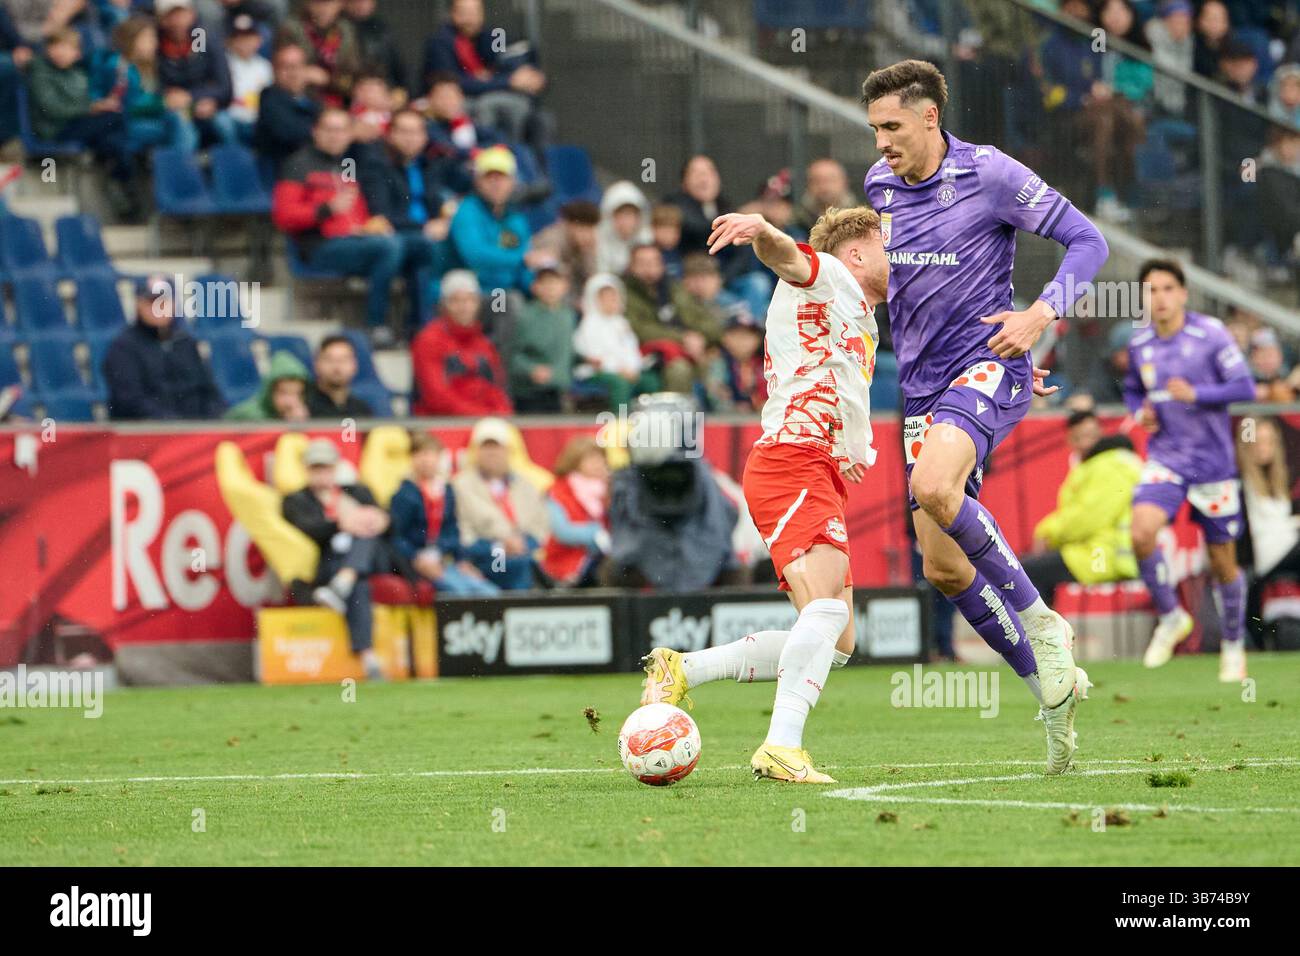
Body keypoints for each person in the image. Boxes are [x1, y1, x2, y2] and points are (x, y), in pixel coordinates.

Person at [860, 59, 1109, 774]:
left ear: (930, 116)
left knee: (935, 486)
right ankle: (1052, 690)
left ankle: (1043, 623)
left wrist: (1037, 318)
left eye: (892, 126)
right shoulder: (879, 186)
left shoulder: (990, 172)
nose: (881, 142)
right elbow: (903, 282)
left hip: (987, 362)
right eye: (874, 128)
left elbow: (1089, 242)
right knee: (942, 568)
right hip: (922, 391)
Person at [640, 205, 886, 784]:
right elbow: (788, 258)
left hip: (815, 467)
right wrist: (764, 230)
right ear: (855, 252)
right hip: (791, 462)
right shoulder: (829, 273)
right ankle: (780, 747)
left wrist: (850, 447)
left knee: (837, 640)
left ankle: (684, 669)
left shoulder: (861, 314)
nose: (896, 254)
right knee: (825, 610)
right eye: (886, 242)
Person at [1126, 258, 1256, 681]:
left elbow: (1245, 387)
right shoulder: (1140, 343)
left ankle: (1233, 645)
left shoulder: (1211, 334)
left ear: (1183, 293)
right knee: (1141, 532)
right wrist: (1140, 412)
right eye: (1151, 290)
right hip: (1167, 459)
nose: (1160, 298)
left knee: (1222, 562)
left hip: (1213, 466)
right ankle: (1171, 616)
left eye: (1167, 288)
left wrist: (1197, 394)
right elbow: (1132, 389)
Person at [272, 107, 406, 342]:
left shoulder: (347, 164)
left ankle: (419, 325)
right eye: (329, 130)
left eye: (342, 130)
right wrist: (326, 210)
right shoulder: (297, 164)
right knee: (389, 248)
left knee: (420, 247)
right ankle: (376, 326)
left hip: (354, 240)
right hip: (319, 247)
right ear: (315, 132)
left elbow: (355, 210)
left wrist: (368, 225)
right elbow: (284, 217)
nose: (335, 136)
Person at [282, 438, 390, 680]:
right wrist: (341, 523)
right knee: (359, 585)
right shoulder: (296, 500)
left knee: (365, 534)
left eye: (326, 467)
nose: (322, 474)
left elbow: (385, 520)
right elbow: (309, 529)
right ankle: (368, 657)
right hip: (331, 563)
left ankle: (343, 581)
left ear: (336, 468)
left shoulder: (357, 491)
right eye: (316, 468)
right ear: (306, 469)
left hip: (371, 557)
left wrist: (379, 520)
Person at [1022, 411, 1143, 601]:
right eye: (1081, 437)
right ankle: (1046, 621)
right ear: (1071, 440)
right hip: (1097, 551)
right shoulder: (1099, 464)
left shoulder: (1108, 464)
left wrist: (1047, 533)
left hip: (1102, 557)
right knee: (1031, 568)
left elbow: (1089, 518)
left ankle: (1044, 622)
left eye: (1091, 435)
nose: (1086, 442)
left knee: (1027, 572)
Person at [358, 107, 452, 333]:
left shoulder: (429, 165)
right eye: (404, 131)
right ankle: (413, 324)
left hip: (425, 237)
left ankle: (425, 327)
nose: (410, 138)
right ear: (390, 135)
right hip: (395, 235)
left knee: (429, 254)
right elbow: (381, 213)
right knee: (425, 249)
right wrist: (426, 226)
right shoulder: (376, 165)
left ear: (425, 137)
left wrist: (447, 218)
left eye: (416, 132)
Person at [26, 27, 137, 216]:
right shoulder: (39, 70)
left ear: (77, 53)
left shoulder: (78, 72)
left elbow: (86, 101)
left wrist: (97, 105)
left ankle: (120, 180)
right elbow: (52, 109)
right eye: (56, 46)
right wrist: (91, 108)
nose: (61, 52)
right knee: (116, 118)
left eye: (67, 47)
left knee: (113, 135)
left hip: (79, 125)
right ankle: (121, 181)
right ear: (47, 49)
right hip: (55, 129)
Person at [421, 0, 546, 155]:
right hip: (463, 100)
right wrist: (506, 81)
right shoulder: (440, 42)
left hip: (495, 95)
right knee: (488, 106)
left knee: (539, 119)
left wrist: (524, 76)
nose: (469, 19)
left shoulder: (493, 36)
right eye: (464, 13)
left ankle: (518, 158)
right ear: (453, 14)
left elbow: (503, 63)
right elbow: (456, 82)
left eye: (474, 12)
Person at [388, 431, 498, 596]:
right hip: (416, 562)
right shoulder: (404, 494)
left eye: (430, 454)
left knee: (488, 591)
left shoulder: (446, 490)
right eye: (420, 454)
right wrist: (416, 557)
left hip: (443, 559)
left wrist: (461, 560)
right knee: (459, 591)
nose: (426, 460)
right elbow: (396, 537)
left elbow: (452, 529)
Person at [103, 276, 226, 420]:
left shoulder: (186, 343)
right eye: (152, 302)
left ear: (174, 304)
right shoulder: (123, 348)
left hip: (194, 429)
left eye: (163, 301)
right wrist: (173, 424)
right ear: (139, 304)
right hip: (150, 431)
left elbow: (210, 393)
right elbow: (130, 401)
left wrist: (212, 419)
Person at [452, 417, 549, 590]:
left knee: (530, 564)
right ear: (476, 451)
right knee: (520, 566)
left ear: (508, 450)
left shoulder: (525, 484)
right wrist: (500, 546)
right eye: (486, 447)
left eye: (497, 447)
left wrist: (524, 544)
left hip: (525, 550)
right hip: (485, 555)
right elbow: (463, 535)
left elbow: (541, 527)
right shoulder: (460, 485)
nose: (492, 453)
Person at [622, 243, 721, 394]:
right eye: (642, 263)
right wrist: (683, 338)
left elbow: (707, 322)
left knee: (717, 360)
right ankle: (676, 410)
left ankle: (724, 408)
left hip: (688, 349)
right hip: (646, 354)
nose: (649, 268)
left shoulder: (674, 289)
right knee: (679, 369)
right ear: (631, 266)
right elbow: (638, 330)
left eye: (654, 262)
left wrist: (700, 338)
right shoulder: (624, 293)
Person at [411, 270, 511, 417]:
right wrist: (483, 416)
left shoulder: (483, 342)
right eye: (455, 301)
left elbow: (498, 389)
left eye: (470, 300)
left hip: (484, 421)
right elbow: (436, 397)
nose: (464, 307)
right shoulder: (429, 340)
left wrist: (502, 414)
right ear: (444, 305)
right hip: (441, 422)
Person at [93, 15, 198, 155]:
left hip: (146, 119)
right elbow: (126, 105)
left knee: (180, 121)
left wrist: (172, 99)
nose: (154, 43)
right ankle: (181, 164)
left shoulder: (147, 65)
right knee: (178, 126)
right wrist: (164, 103)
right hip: (125, 125)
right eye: (148, 39)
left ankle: (179, 163)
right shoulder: (119, 67)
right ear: (131, 40)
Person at [1236, 417, 1300, 646]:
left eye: (1269, 441)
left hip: (1287, 549)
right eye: (1258, 442)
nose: (1263, 448)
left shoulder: (1279, 482)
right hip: (1266, 558)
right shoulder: (1242, 483)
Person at [447, 145, 532, 293]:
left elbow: (525, 261)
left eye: (502, 177)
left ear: (513, 181)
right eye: (489, 177)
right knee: (505, 300)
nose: (496, 184)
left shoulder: (515, 216)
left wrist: (536, 287)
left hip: (502, 290)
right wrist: (521, 259)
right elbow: (475, 255)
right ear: (477, 181)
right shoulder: (467, 211)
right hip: (469, 292)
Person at [156, 0, 236, 146]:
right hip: (172, 107)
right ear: (162, 19)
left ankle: (234, 159)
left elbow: (225, 87)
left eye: (182, 14)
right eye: (171, 15)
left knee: (225, 124)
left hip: (206, 102)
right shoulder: (155, 43)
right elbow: (153, 83)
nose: (178, 21)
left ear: (192, 14)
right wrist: (169, 97)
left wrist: (196, 97)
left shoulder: (206, 39)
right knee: (184, 130)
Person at [540, 435, 611, 587]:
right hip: (566, 562)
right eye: (591, 459)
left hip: (602, 559)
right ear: (575, 462)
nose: (598, 464)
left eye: (600, 458)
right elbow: (563, 532)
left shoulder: (611, 490)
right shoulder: (558, 491)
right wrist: (596, 533)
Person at [509, 259, 576, 413]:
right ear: (534, 287)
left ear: (565, 286)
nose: (550, 287)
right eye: (544, 282)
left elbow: (569, 351)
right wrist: (531, 369)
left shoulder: (568, 316)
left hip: (559, 391)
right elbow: (512, 354)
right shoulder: (524, 316)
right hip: (530, 392)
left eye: (555, 282)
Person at [572, 273, 644, 410]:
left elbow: (632, 349)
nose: (611, 301)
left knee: (650, 381)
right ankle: (621, 419)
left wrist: (633, 368)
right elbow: (594, 357)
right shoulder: (589, 324)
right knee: (620, 383)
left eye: (614, 297)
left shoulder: (622, 323)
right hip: (596, 372)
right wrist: (619, 370)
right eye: (605, 298)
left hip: (627, 370)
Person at [275, 0, 361, 106]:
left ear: (340, 4)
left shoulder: (346, 31)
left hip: (338, 99)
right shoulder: (291, 29)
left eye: (329, 3)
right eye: (317, 3)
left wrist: (328, 79)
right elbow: (281, 69)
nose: (323, 9)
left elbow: (353, 75)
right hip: (300, 97)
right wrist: (301, 72)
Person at [252, 42, 321, 173]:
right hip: (281, 169)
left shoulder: (313, 98)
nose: (293, 73)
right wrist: (324, 132)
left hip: (315, 166)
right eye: (285, 67)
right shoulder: (269, 97)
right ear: (275, 71)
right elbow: (288, 132)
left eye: (297, 66)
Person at [530, 199, 599, 295]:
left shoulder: (587, 244)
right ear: (569, 225)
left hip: (568, 287)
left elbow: (592, 277)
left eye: (590, 229)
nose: (587, 235)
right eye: (583, 228)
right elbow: (549, 277)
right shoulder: (552, 239)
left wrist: (589, 253)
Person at [223, 12, 271, 144]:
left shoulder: (265, 66)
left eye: (249, 37)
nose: (244, 42)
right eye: (239, 37)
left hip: (256, 120)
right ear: (230, 40)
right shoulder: (223, 63)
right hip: (232, 117)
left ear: (259, 40)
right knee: (223, 122)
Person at [224, 349, 311, 421]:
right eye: (283, 393)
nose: (290, 400)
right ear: (269, 391)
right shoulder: (248, 415)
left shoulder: (295, 414)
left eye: (297, 394)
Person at [343, 0, 405, 97]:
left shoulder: (383, 30)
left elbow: (399, 70)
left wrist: (397, 93)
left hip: (383, 90)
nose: (362, 3)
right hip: (350, 92)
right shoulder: (339, 29)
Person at [305, 333, 373, 419]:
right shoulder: (304, 407)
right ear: (316, 364)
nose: (337, 367)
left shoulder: (362, 410)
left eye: (344, 360)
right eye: (330, 360)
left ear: (355, 365)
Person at [595, 180, 651, 275]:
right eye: (620, 215)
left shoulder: (647, 239)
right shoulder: (597, 241)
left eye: (630, 215)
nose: (626, 221)